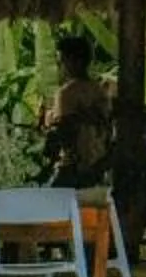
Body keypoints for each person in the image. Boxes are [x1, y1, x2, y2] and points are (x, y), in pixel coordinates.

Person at [41, 35, 116, 188]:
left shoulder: (67, 93)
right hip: (97, 165)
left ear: (73, 61)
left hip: (73, 165)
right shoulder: (99, 91)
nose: (59, 65)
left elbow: (65, 132)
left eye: (62, 60)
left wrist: (50, 128)